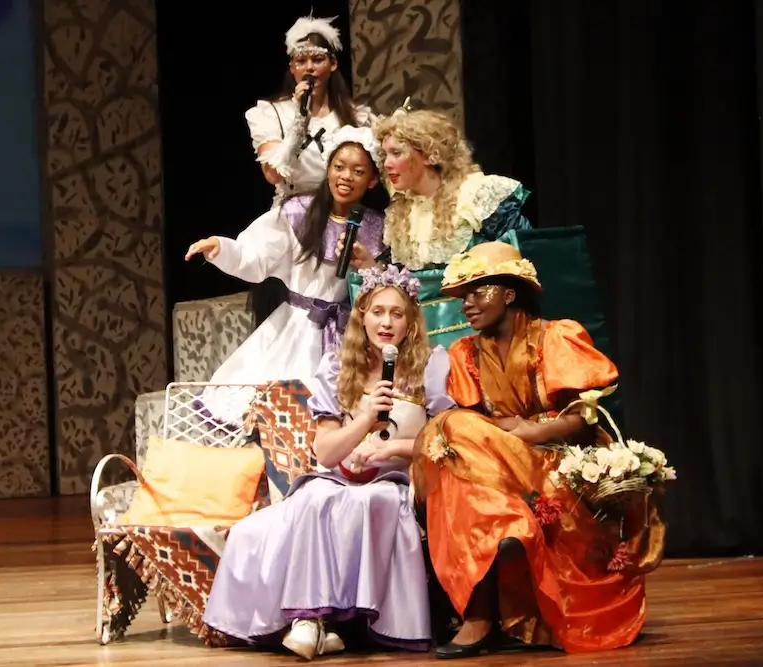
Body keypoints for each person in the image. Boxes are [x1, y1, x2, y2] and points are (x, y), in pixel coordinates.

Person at [410, 242, 666, 659]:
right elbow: (475, 430)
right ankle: (484, 598)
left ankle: (486, 602)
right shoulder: (466, 353)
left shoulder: (556, 336)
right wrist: (506, 433)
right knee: (452, 440)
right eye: (463, 296)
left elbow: (583, 419)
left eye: (478, 292)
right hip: (495, 463)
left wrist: (527, 431)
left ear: (509, 293)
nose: (467, 304)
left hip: (556, 457)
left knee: (453, 430)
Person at [203, 265, 455, 659]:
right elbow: (325, 453)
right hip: (340, 479)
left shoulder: (431, 365)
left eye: (396, 313)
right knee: (312, 499)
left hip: (398, 482)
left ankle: (343, 624)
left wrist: (392, 450)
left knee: (371, 501)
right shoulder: (337, 367)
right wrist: (366, 419)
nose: (386, 323)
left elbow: (444, 439)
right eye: (377, 312)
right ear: (362, 317)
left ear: (410, 322)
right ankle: (310, 620)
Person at [184, 127, 386, 422]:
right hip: (298, 328)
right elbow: (255, 255)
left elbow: (387, 286)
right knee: (283, 412)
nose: (346, 177)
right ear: (328, 168)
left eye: (358, 171)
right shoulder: (299, 212)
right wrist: (222, 248)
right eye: (339, 167)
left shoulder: (377, 227)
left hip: (350, 334)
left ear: (372, 180)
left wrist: (368, 266)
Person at [340, 107, 534, 348]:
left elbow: (522, 260)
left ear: (429, 155)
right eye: (385, 155)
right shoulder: (401, 213)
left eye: (396, 153)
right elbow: (405, 288)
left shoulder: (475, 196)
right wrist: (369, 265)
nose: (387, 164)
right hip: (424, 342)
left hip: (482, 337)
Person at [244, 14, 377, 329]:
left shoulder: (357, 117)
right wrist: (299, 119)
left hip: (344, 217)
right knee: (295, 317)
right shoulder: (271, 113)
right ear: (292, 68)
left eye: (317, 59)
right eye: (300, 60)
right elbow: (273, 174)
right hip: (295, 222)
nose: (309, 67)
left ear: (332, 64)